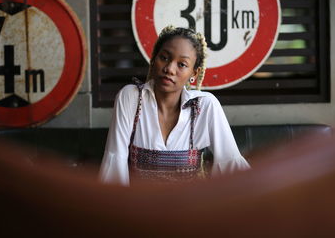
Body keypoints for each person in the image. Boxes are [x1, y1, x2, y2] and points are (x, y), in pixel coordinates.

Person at [99, 26, 249, 186]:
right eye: (164, 57)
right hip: (140, 207)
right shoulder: (132, 98)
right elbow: (115, 160)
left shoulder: (204, 105)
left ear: (194, 74)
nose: (169, 69)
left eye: (182, 64)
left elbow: (230, 163)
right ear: (153, 59)